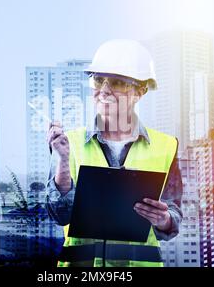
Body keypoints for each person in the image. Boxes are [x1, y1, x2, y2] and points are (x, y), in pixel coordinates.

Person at [46, 39, 183, 267]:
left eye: (118, 83)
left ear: (140, 91)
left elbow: (173, 215)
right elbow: (59, 214)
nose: (104, 91)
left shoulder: (166, 146)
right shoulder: (68, 144)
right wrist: (61, 160)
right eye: (99, 80)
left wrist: (164, 219)